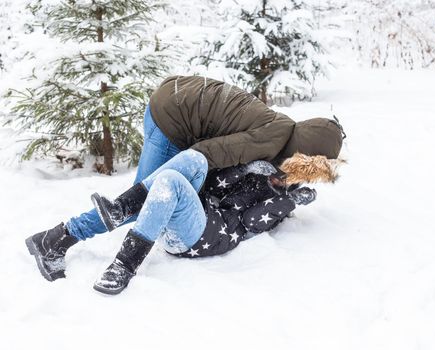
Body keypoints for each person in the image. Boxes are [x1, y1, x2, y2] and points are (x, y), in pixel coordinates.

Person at [25, 75, 346, 289]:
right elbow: (206, 153)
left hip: (172, 95)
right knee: (145, 200)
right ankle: (57, 239)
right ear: (306, 152)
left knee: (155, 191)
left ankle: (86, 224)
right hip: (172, 120)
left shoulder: (279, 126)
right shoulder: (271, 140)